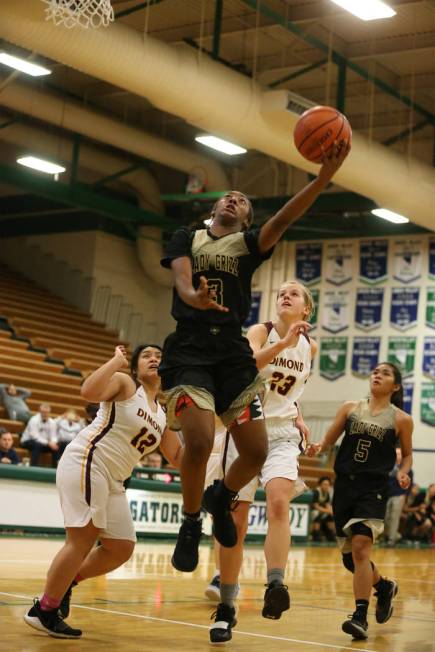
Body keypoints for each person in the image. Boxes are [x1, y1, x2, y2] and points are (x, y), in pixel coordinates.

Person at [159, 143, 349, 574]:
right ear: (214, 209)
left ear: (247, 219)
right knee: (202, 438)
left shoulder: (248, 243)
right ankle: (191, 522)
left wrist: (320, 179)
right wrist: (194, 298)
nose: (234, 199)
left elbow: (283, 218)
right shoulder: (187, 236)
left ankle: (220, 497)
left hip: (231, 355)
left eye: (243, 201)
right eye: (228, 196)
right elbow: (183, 280)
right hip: (190, 348)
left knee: (256, 451)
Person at [24, 344, 183, 639]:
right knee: (83, 537)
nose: (155, 359)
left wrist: (214, 440)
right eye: (147, 355)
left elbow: (178, 458)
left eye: (160, 357)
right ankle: (44, 610)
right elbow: (89, 392)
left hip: (115, 479)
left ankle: (68, 582)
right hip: (89, 459)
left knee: (121, 547)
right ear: (135, 367)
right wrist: (114, 362)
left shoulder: (163, 413)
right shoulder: (126, 383)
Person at [206, 280, 317, 643]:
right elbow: (246, 363)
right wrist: (282, 344)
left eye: (294, 293)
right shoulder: (262, 331)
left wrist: (298, 415)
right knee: (235, 525)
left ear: (306, 309)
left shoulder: (310, 347)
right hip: (246, 428)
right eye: (281, 292)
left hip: (283, 433)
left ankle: (275, 584)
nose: (285, 295)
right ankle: (226, 605)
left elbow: (291, 391)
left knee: (280, 503)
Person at [308, 362, 413, 641]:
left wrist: (403, 473)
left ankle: (359, 616)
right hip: (344, 488)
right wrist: (317, 446)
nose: (377, 374)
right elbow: (328, 441)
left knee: (360, 547)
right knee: (351, 560)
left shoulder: (401, 419)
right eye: (376, 371)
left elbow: (408, 455)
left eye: (386, 373)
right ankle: (385, 586)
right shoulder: (349, 408)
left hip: (373, 489)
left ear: (396, 386)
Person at [384, 447, 413, 547]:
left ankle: (391, 540)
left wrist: (405, 496)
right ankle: (396, 535)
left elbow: (409, 485)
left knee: (394, 518)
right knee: (386, 517)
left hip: (399, 495)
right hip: (388, 495)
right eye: (396, 453)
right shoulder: (389, 467)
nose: (397, 455)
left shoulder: (406, 468)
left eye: (399, 454)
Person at [311, 476, 336, 543]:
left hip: (321, 511)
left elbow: (328, 505)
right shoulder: (316, 492)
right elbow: (315, 506)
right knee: (317, 514)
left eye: (328, 485)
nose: (326, 486)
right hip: (312, 511)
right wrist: (328, 511)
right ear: (320, 484)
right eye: (324, 484)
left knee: (330, 516)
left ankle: (330, 534)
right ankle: (315, 534)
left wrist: (331, 512)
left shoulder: (327, 493)